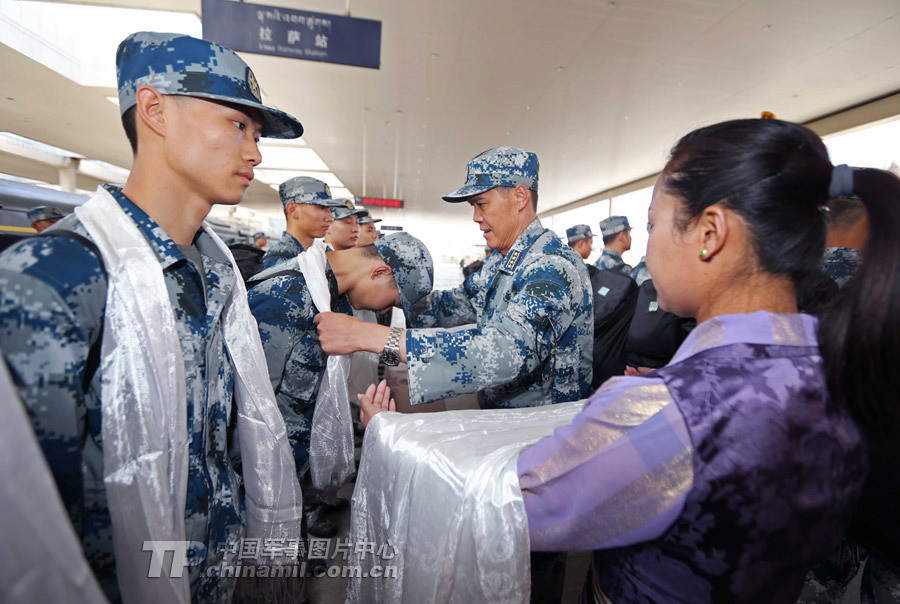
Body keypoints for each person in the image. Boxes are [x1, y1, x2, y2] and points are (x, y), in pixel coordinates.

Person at [363, 118, 894, 602]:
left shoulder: (661, 412)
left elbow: (502, 504)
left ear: (710, 234)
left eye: (655, 225)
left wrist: (391, 434)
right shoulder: (846, 371)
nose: (648, 248)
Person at [0, 31, 305, 603]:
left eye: (257, 135)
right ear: (155, 109)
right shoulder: (55, 280)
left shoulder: (218, 274)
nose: (255, 154)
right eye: (239, 125)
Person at [316, 146, 593, 410]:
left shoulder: (551, 266)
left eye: (481, 204)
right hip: (507, 421)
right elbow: (452, 305)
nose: (475, 217)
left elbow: (506, 351)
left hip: (543, 431)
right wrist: (394, 292)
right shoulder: (501, 262)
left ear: (519, 197)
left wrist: (372, 336)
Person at [248, 232, 433, 537]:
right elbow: (252, 401)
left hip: (301, 455)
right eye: (394, 300)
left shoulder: (331, 294)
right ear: (379, 272)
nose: (387, 310)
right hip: (270, 464)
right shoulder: (283, 295)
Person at [567, 224, 639, 388]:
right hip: (609, 361)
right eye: (590, 243)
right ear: (621, 235)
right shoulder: (623, 273)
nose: (591, 248)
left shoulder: (592, 269)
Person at [263, 175, 340, 269]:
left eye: (330, 209)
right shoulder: (278, 260)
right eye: (322, 207)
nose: (330, 218)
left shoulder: (314, 255)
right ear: (293, 210)